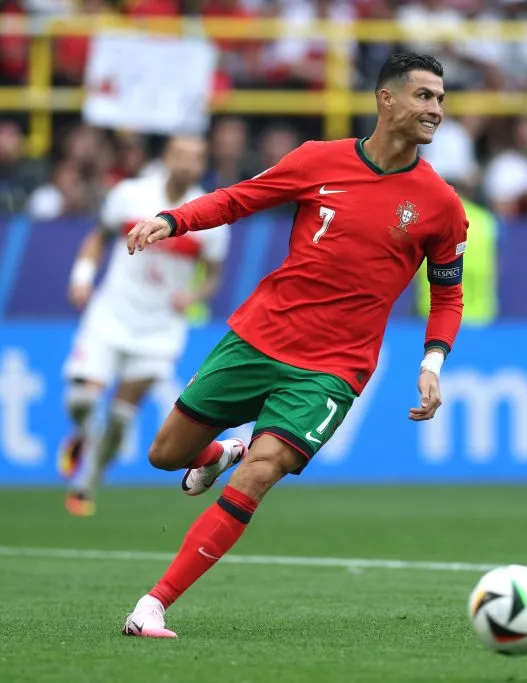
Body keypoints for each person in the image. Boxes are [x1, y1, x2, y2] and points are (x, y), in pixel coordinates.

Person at [120, 52, 468, 639]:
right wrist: (173, 220)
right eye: (424, 96)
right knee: (164, 454)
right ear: (387, 99)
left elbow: (448, 296)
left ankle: (153, 604)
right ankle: (217, 452)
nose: (435, 109)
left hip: (332, 369)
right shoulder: (318, 160)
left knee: (260, 472)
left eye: (440, 98)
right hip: (260, 336)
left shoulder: (441, 204)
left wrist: (433, 361)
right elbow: (236, 200)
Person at [59, 136, 231, 516]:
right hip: (112, 314)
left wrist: (195, 295)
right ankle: (85, 435)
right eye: (182, 155)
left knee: (122, 416)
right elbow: (97, 238)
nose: (188, 164)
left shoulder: (211, 216)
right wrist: (82, 276)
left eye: (196, 158)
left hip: (159, 328)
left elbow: (214, 276)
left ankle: (87, 484)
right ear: (167, 158)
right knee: (82, 400)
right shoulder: (130, 195)